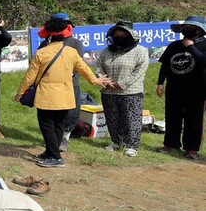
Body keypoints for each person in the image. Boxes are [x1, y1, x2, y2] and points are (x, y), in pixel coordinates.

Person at [15, 16, 111, 168]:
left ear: (49, 35)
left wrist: (20, 92)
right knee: (59, 125)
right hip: (66, 95)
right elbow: (84, 69)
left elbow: (30, 77)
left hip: (46, 96)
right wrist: (96, 81)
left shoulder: (42, 53)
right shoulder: (71, 52)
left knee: (46, 125)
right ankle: (49, 152)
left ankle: (55, 157)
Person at [94, 21, 150, 157]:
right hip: (108, 91)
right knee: (112, 118)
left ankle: (132, 145)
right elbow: (98, 67)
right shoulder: (106, 51)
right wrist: (104, 80)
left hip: (131, 92)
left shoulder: (140, 51)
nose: (119, 35)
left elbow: (139, 71)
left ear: (130, 35)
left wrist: (121, 84)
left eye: (123, 33)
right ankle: (116, 142)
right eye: (117, 33)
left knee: (131, 119)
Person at [156, 15, 206, 160]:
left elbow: (203, 61)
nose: (187, 30)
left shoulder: (204, 45)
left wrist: (190, 46)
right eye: (185, 28)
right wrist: (160, 83)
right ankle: (171, 144)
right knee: (172, 118)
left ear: (199, 30)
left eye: (191, 28)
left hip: (198, 91)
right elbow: (165, 65)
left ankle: (192, 148)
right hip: (174, 89)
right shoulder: (174, 45)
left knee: (194, 121)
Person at [49, 13, 86, 153]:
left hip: (70, 83)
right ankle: (52, 138)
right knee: (51, 112)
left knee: (71, 113)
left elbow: (79, 64)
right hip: (50, 84)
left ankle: (65, 137)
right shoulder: (47, 42)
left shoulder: (75, 43)